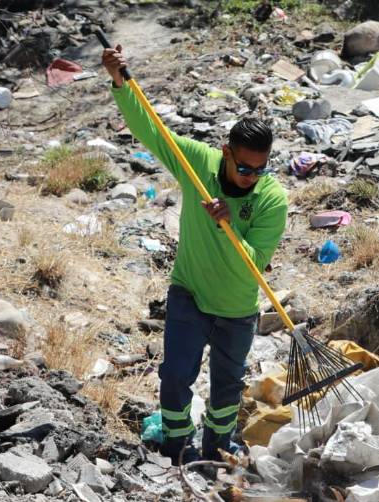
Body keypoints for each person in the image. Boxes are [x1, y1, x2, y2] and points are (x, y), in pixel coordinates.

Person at [102, 45, 288, 464]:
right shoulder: (199, 164)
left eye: (260, 169)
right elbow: (149, 129)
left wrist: (228, 226)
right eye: (244, 168)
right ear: (226, 152)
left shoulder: (272, 198)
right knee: (175, 377)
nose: (251, 177)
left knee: (226, 389)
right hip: (189, 292)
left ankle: (217, 450)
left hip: (238, 308)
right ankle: (173, 449)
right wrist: (119, 80)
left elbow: (255, 260)